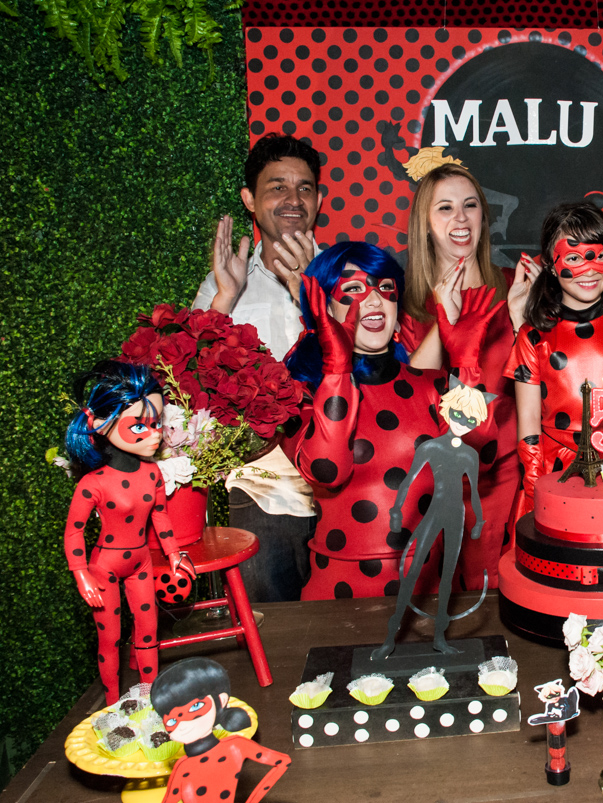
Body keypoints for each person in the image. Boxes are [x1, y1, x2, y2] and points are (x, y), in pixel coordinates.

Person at [284, 241, 501, 599]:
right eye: (353, 288)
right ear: (324, 308)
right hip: (338, 599)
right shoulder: (296, 393)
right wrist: (337, 371)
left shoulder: (430, 385)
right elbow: (328, 470)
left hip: (428, 594)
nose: (374, 299)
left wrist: (466, 366)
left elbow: (481, 459)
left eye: (386, 288)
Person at [193, 133, 325, 603]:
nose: (293, 199)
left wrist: (312, 293)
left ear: (319, 199)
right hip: (261, 490)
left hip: (342, 485)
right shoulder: (225, 283)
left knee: (352, 623)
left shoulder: (345, 276)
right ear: (250, 199)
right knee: (272, 629)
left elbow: (366, 369)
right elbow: (192, 381)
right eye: (277, 187)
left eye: (304, 188)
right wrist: (225, 299)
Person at [397, 162, 534, 591]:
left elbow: (540, 383)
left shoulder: (516, 286)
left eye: (470, 205)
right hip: (433, 478)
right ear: (425, 225)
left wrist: (517, 319)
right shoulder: (406, 302)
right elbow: (411, 392)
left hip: (502, 478)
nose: (460, 218)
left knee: (496, 596)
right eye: (445, 208)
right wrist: (447, 318)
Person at [504, 203, 603, 529]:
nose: (588, 270)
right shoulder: (533, 337)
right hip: (553, 472)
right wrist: (535, 482)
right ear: (550, 264)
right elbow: (529, 418)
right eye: (573, 258)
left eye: (598, 256)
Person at [62, 361, 196, 704]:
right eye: (139, 426)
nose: (153, 434)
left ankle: (150, 701)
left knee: (148, 632)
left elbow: (161, 518)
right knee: (110, 639)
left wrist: (174, 554)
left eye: (156, 424)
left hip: (140, 562)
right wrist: (81, 575)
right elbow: (74, 533)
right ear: (98, 424)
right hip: (104, 567)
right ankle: (111, 705)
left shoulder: (152, 475)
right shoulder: (93, 483)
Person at [374, 379, 495, 657]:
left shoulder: (469, 454)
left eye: (470, 418)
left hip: (457, 515)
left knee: (448, 576)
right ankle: (390, 638)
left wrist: (477, 521)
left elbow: (474, 491)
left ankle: (439, 638)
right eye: (458, 414)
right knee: (413, 571)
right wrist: (396, 511)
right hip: (434, 512)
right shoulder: (430, 448)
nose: (463, 421)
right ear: (446, 410)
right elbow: (408, 481)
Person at [151, 657, 291, 803]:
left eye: (195, 707)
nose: (184, 724)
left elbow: (282, 761)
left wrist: (253, 799)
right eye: (172, 720)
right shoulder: (183, 767)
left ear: (222, 700)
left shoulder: (236, 746)